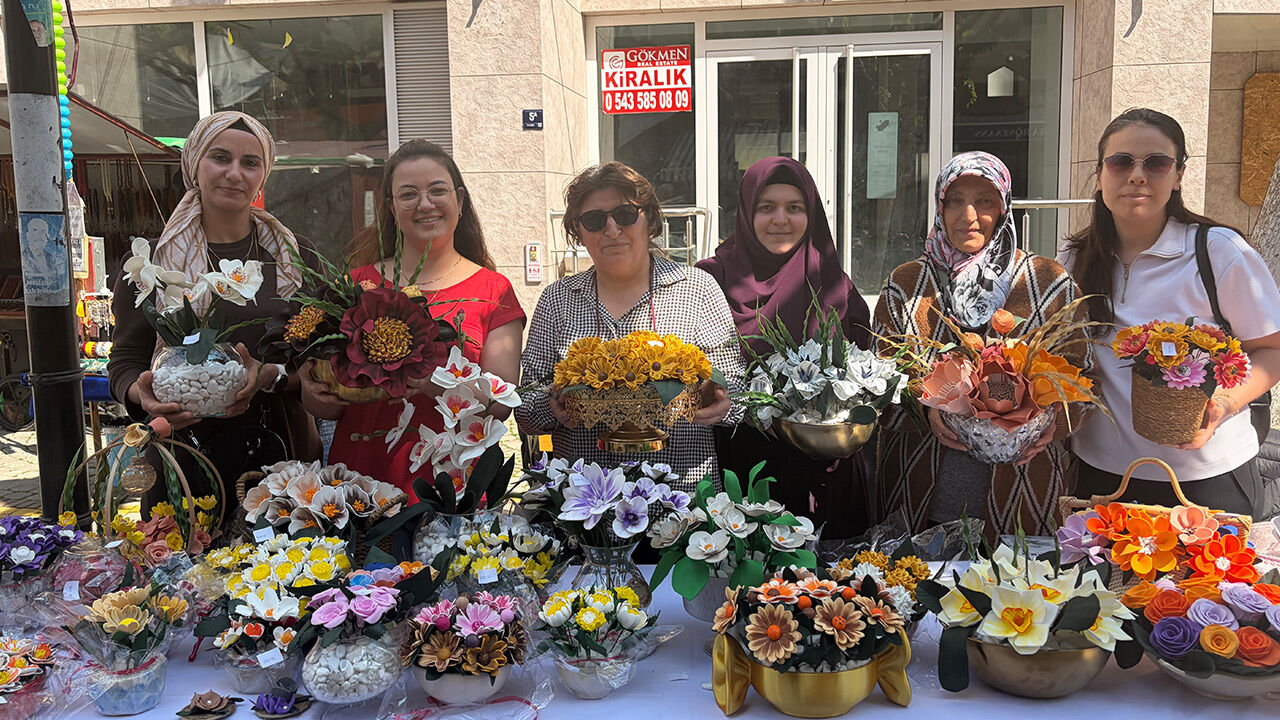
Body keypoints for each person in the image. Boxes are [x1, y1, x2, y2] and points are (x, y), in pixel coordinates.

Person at [1060, 108, 1280, 515]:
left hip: (1208, 481)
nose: (1137, 175)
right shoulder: (1075, 258)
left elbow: (1272, 349)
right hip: (1100, 476)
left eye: (1157, 163)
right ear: (1100, 173)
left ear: (1178, 175)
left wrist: (1224, 406)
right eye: (1121, 161)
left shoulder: (1219, 253)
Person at [108, 111, 323, 525]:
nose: (234, 173)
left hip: (283, 455)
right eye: (220, 157)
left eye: (250, 162)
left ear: (263, 176)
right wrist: (142, 395)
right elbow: (125, 361)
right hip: (182, 458)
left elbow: (320, 363)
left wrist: (272, 374)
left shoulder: (296, 257)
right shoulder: (151, 262)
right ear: (194, 165)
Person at [872, 151, 1088, 538]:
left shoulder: (1048, 282)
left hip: (1023, 494)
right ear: (939, 206)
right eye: (955, 200)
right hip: (925, 494)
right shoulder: (907, 286)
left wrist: (1052, 423)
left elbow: (1085, 380)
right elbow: (878, 381)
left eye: (984, 201)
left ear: (1004, 207)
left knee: (1017, 595)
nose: (968, 215)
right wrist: (925, 410)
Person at [304, 140, 525, 499]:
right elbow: (326, 406)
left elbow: (499, 405)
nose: (425, 204)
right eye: (408, 195)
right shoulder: (354, 285)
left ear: (461, 201)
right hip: (360, 485)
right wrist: (311, 386)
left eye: (437, 190)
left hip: (452, 485)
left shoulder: (493, 290)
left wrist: (428, 382)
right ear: (391, 208)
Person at [516, 162, 746, 493]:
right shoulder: (558, 300)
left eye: (625, 214)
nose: (611, 230)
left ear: (650, 220)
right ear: (579, 232)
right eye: (594, 220)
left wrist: (722, 403)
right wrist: (552, 407)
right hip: (587, 507)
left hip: (684, 499)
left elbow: (737, 391)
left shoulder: (696, 289)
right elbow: (525, 409)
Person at [696, 156, 872, 539]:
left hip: (824, 474)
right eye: (766, 207)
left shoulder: (834, 285)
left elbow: (866, 379)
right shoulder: (710, 281)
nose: (781, 219)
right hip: (736, 473)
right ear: (746, 212)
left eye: (795, 208)